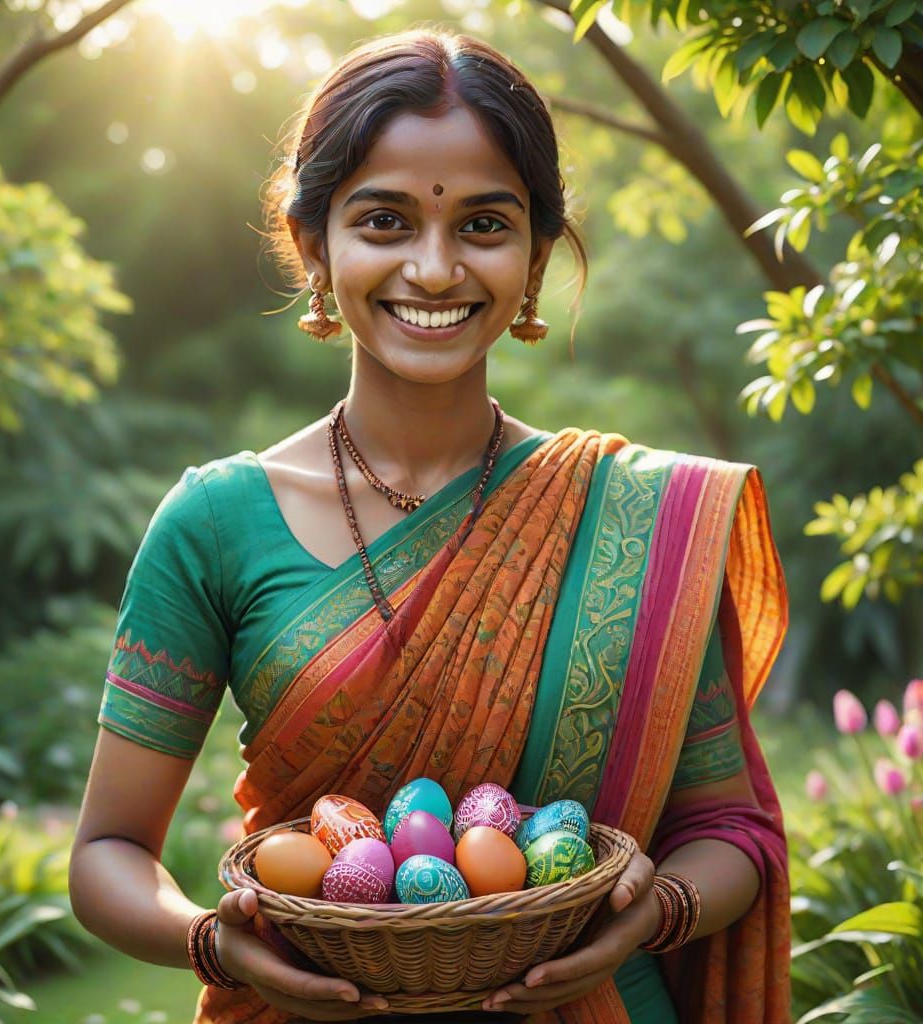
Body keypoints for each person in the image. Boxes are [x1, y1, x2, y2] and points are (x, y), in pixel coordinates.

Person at [69, 28, 791, 1024]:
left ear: (535, 254)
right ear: (315, 243)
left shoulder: (635, 514)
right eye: (384, 220)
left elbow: (728, 827)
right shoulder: (216, 523)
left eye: (484, 225)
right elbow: (107, 853)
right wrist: (216, 941)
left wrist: (649, 913)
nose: (436, 266)